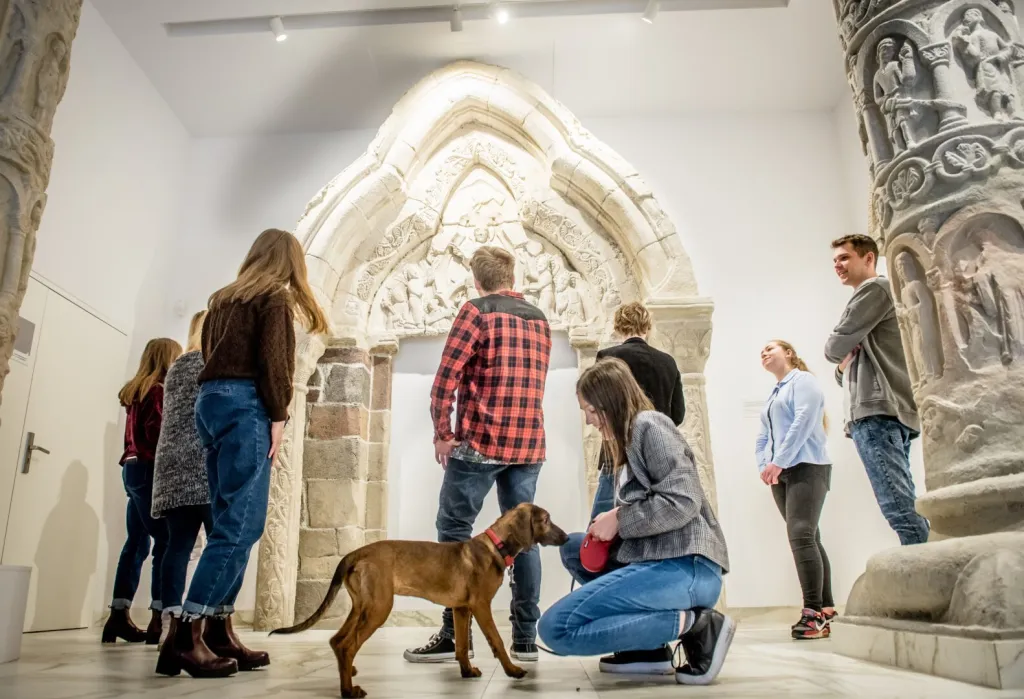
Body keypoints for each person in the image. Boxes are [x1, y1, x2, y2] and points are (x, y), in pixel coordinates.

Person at [156, 229, 330, 679]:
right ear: (290, 262)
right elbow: (276, 362)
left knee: (227, 519)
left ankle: (218, 629)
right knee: (239, 526)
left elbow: (211, 359)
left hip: (209, 404)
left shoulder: (221, 300)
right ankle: (186, 632)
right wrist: (279, 415)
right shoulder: (273, 298)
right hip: (246, 403)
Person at [538, 358, 733, 686]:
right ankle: (648, 648)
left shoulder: (649, 426)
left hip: (689, 566)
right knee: (573, 548)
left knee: (556, 628)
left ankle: (697, 624)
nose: (588, 421)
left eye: (590, 410)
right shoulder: (628, 442)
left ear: (608, 401)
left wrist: (620, 518)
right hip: (662, 561)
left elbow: (683, 501)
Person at [404, 246, 552, 664]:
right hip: (528, 444)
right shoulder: (539, 319)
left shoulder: (476, 311)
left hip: (481, 442)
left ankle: (454, 635)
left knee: (453, 530)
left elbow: (445, 378)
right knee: (525, 540)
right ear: (511, 274)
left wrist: (442, 433)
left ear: (477, 279)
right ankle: (524, 640)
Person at [561, 301, 686, 674]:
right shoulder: (667, 362)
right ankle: (651, 638)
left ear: (618, 325)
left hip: (616, 462)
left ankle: (632, 636)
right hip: (656, 466)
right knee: (648, 546)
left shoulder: (609, 355)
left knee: (601, 546)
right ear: (648, 325)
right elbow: (676, 414)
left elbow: (600, 404)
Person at [825, 234, 929, 545]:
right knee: (902, 502)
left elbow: (833, 347)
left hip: (877, 413)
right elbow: (840, 370)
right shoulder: (874, 294)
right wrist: (843, 367)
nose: (838, 265)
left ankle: (932, 580)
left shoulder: (874, 289)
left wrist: (841, 359)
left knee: (897, 507)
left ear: (869, 257)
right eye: (834, 261)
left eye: (844, 257)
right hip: (884, 410)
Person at [102, 338, 181, 645]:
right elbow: (157, 435)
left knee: (136, 542)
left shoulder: (134, 393)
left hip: (131, 468)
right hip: (150, 469)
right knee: (166, 540)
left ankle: (118, 615)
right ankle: (158, 617)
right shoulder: (158, 392)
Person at [757, 340, 834, 640]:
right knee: (809, 536)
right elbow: (763, 435)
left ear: (788, 353)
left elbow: (802, 423)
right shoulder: (773, 395)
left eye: (770, 348)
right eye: (761, 352)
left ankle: (812, 614)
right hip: (781, 472)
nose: (764, 353)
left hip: (808, 467)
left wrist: (778, 460)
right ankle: (825, 608)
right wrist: (765, 465)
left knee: (801, 535)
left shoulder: (804, 381)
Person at [150, 310, 211, 647]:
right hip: (204, 466)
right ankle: (206, 620)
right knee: (220, 546)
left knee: (177, 547)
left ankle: (169, 619)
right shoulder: (213, 363)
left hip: (172, 469)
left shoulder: (176, 367)